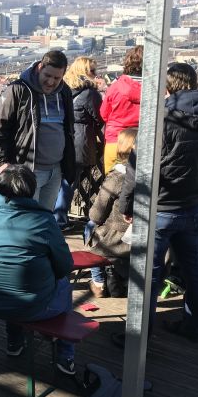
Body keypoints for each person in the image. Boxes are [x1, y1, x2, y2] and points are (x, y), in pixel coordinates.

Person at [119, 63, 198, 343]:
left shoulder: (161, 119)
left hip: (158, 210)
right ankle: (193, 324)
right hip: (192, 207)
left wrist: (126, 205)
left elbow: (137, 170)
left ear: (167, 88)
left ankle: (140, 336)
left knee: (148, 275)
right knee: (194, 270)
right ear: (195, 84)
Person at [0, 165, 76, 375]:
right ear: (31, 190)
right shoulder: (43, 220)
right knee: (62, 285)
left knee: (10, 277)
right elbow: (64, 266)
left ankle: (14, 343)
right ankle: (65, 354)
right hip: (30, 305)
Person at [0, 50, 76, 212]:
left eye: (57, 78)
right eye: (48, 76)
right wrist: (2, 162)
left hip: (55, 170)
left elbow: (68, 128)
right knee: (26, 218)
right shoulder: (18, 90)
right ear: (39, 68)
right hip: (27, 169)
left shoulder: (65, 92)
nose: (51, 82)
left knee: (45, 218)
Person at [85, 127, 137, 299]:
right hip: (140, 234)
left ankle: (98, 282)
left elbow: (97, 213)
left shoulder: (117, 177)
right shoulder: (152, 174)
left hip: (116, 237)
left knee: (90, 227)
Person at [53, 56, 103, 228]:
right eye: (93, 71)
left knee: (57, 182)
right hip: (79, 143)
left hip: (60, 140)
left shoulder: (62, 89)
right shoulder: (90, 93)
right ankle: (59, 220)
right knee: (69, 183)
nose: (96, 75)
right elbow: (100, 117)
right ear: (85, 72)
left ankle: (53, 218)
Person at [100, 46, 143, 174]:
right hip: (142, 143)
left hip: (115, 140)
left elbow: (104, 114)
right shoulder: (154, 89)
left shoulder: (115, 87)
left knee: (111, 183)